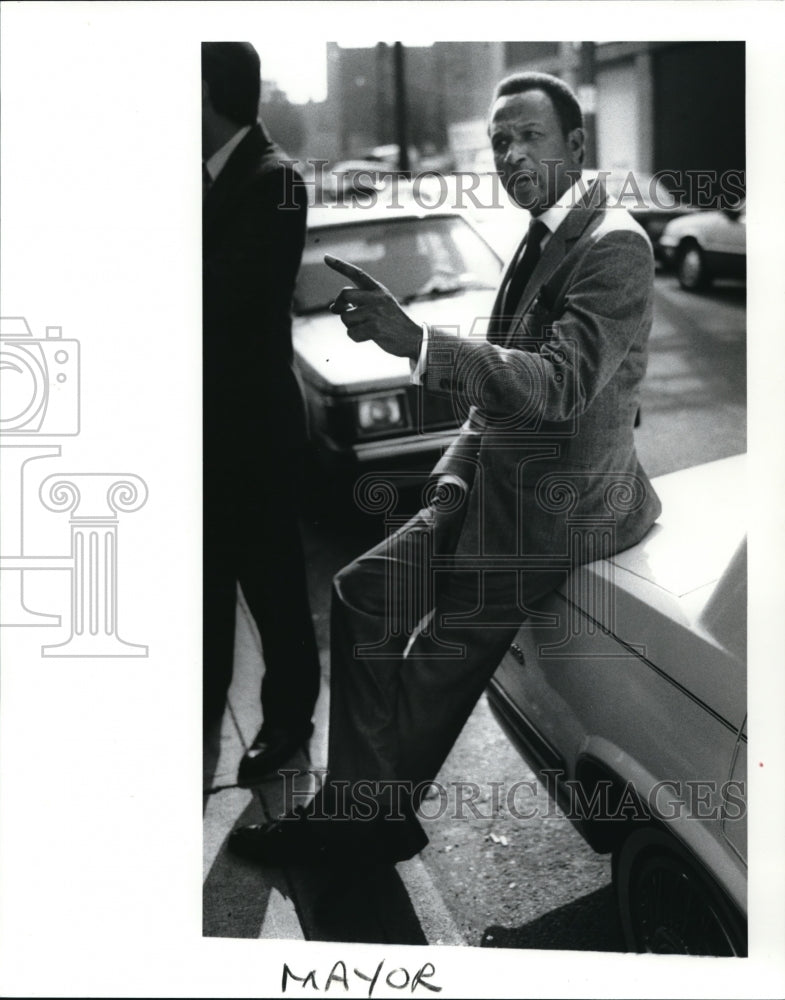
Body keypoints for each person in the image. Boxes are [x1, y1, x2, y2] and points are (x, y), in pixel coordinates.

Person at [229, 70, 662, 863]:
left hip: (553, 510)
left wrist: (418, 344)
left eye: (528, 135)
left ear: (575, 143)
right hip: (491, 484)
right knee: (359, 596)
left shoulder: (615, 246)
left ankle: (359, 820)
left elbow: (558, 386)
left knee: (433, 659)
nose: (509, 152)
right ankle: (371, 808)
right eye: (500, 140)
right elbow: (498, 383)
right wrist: (456, 468)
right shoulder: (536, 234)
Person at [202, 42, 320, 784]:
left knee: (274, 591)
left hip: (251, 436)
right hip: (208, 432)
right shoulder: (208, 178)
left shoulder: (275, 181)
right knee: (205, 587)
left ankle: (287, 722)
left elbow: (225, 306)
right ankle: (202, 718)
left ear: (205, 92)